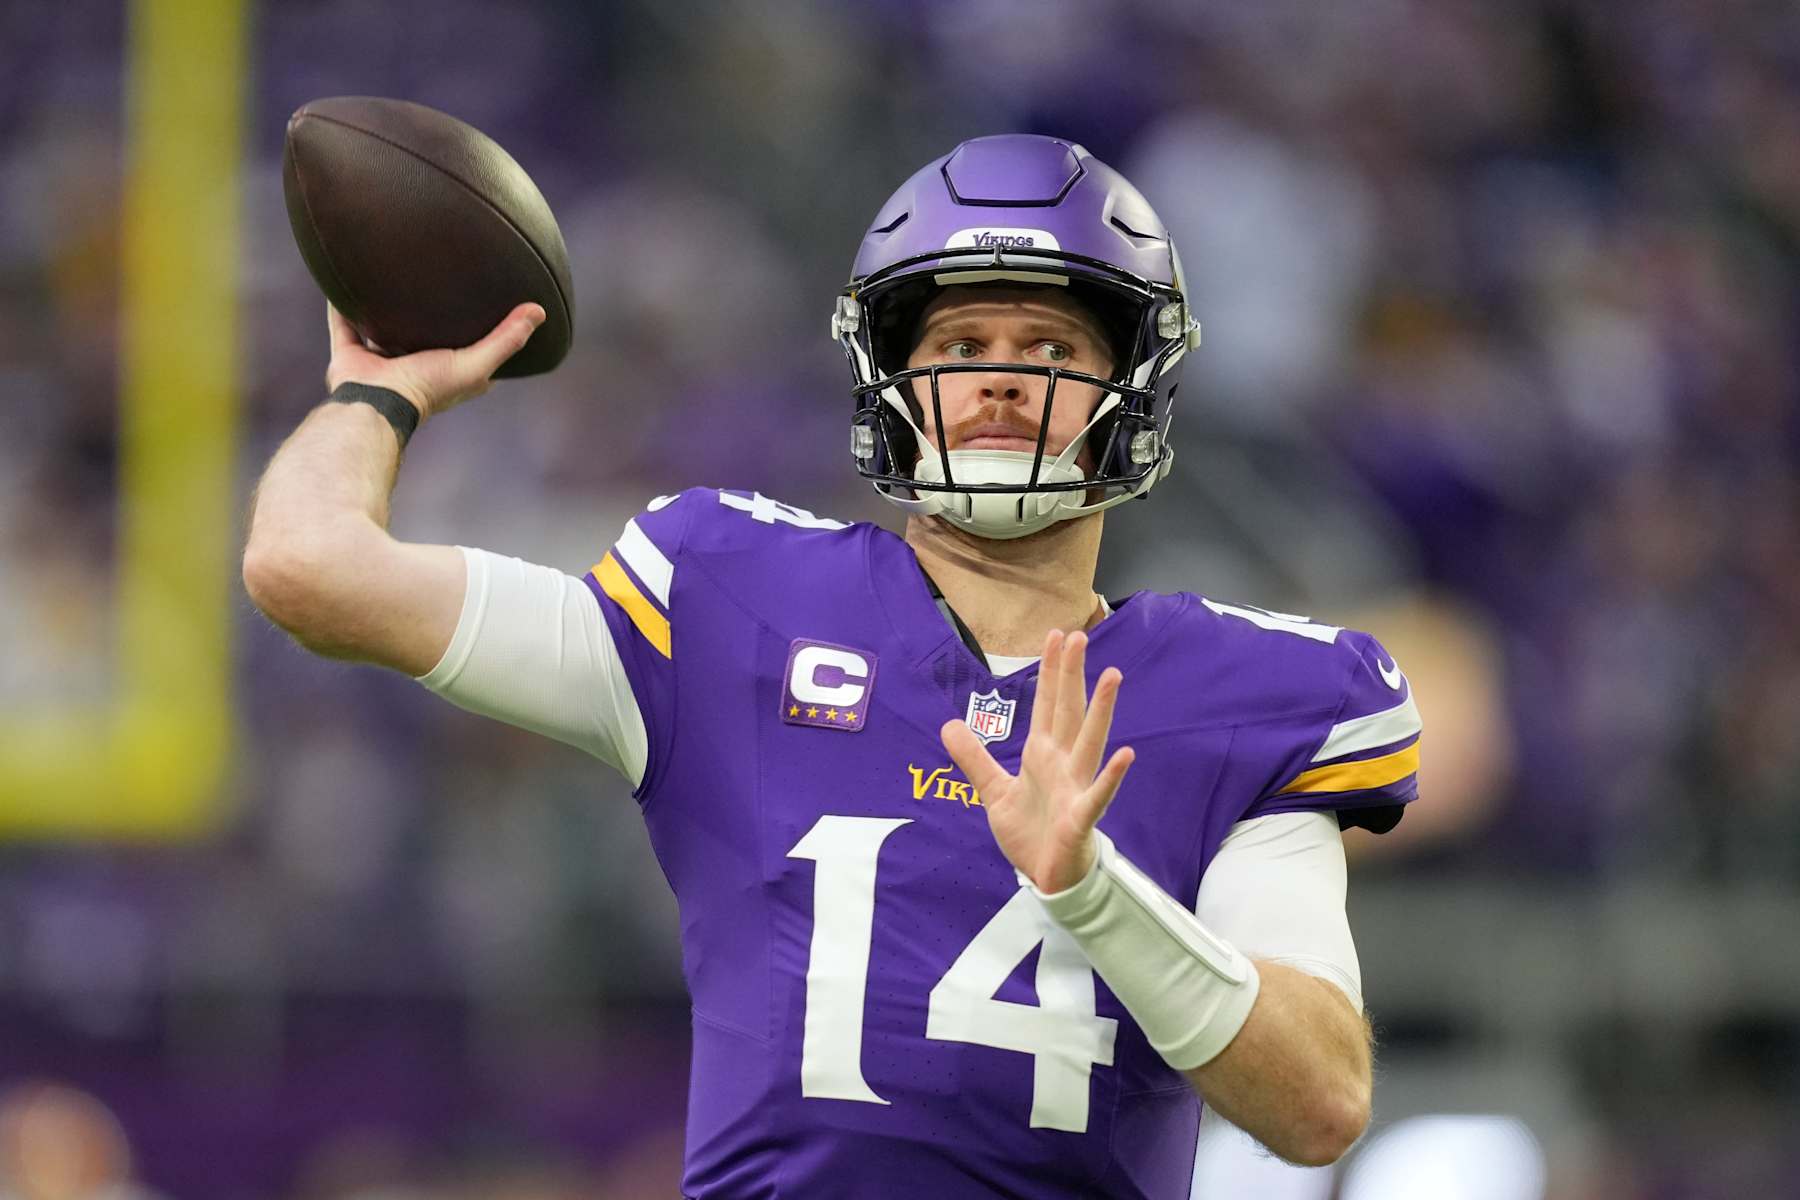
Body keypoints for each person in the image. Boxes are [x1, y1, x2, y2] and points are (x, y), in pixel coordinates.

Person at [243, 135, 1421, 1199]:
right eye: (962, 343)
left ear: (1134, 391)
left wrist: (1092, 892)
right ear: (891, 379)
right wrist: (375, 395)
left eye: (1050, 345)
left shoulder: (1246, 700)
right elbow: (309, 566)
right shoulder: (726, 603)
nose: (1004, 378)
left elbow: (1320, 1105)